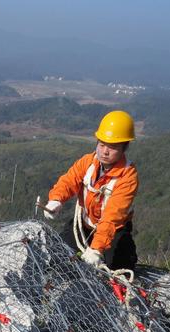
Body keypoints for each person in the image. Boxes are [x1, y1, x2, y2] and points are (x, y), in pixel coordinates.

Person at [44, 110, 138, 270]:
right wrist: (56, 199)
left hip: (113, 231)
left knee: (116, 265)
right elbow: (69, 181)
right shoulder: (88, 162)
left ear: (124, 147)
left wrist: (96, 249)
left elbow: (112, 216)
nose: (105, 151)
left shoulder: (127, 176)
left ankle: (126, 256)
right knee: (58, 255)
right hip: (84, 223)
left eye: (113, 147)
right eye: (101, 144)